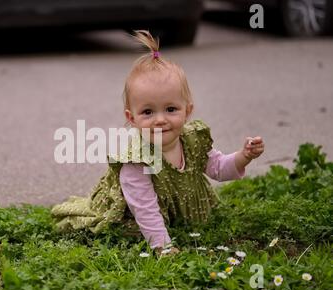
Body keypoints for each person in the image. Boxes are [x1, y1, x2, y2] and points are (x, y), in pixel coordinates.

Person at [51, 30, 264, 256]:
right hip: (139, 216)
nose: (160, 119)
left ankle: (178, 223)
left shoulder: (192, 139)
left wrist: (244, 156)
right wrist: (163, 246)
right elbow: (145, 209)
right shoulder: (137, 160)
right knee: (126, 229)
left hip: (176, 213)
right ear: (131, 118)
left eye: (171, 109)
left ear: (187, 111)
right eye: (148, 112)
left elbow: (218, 168)